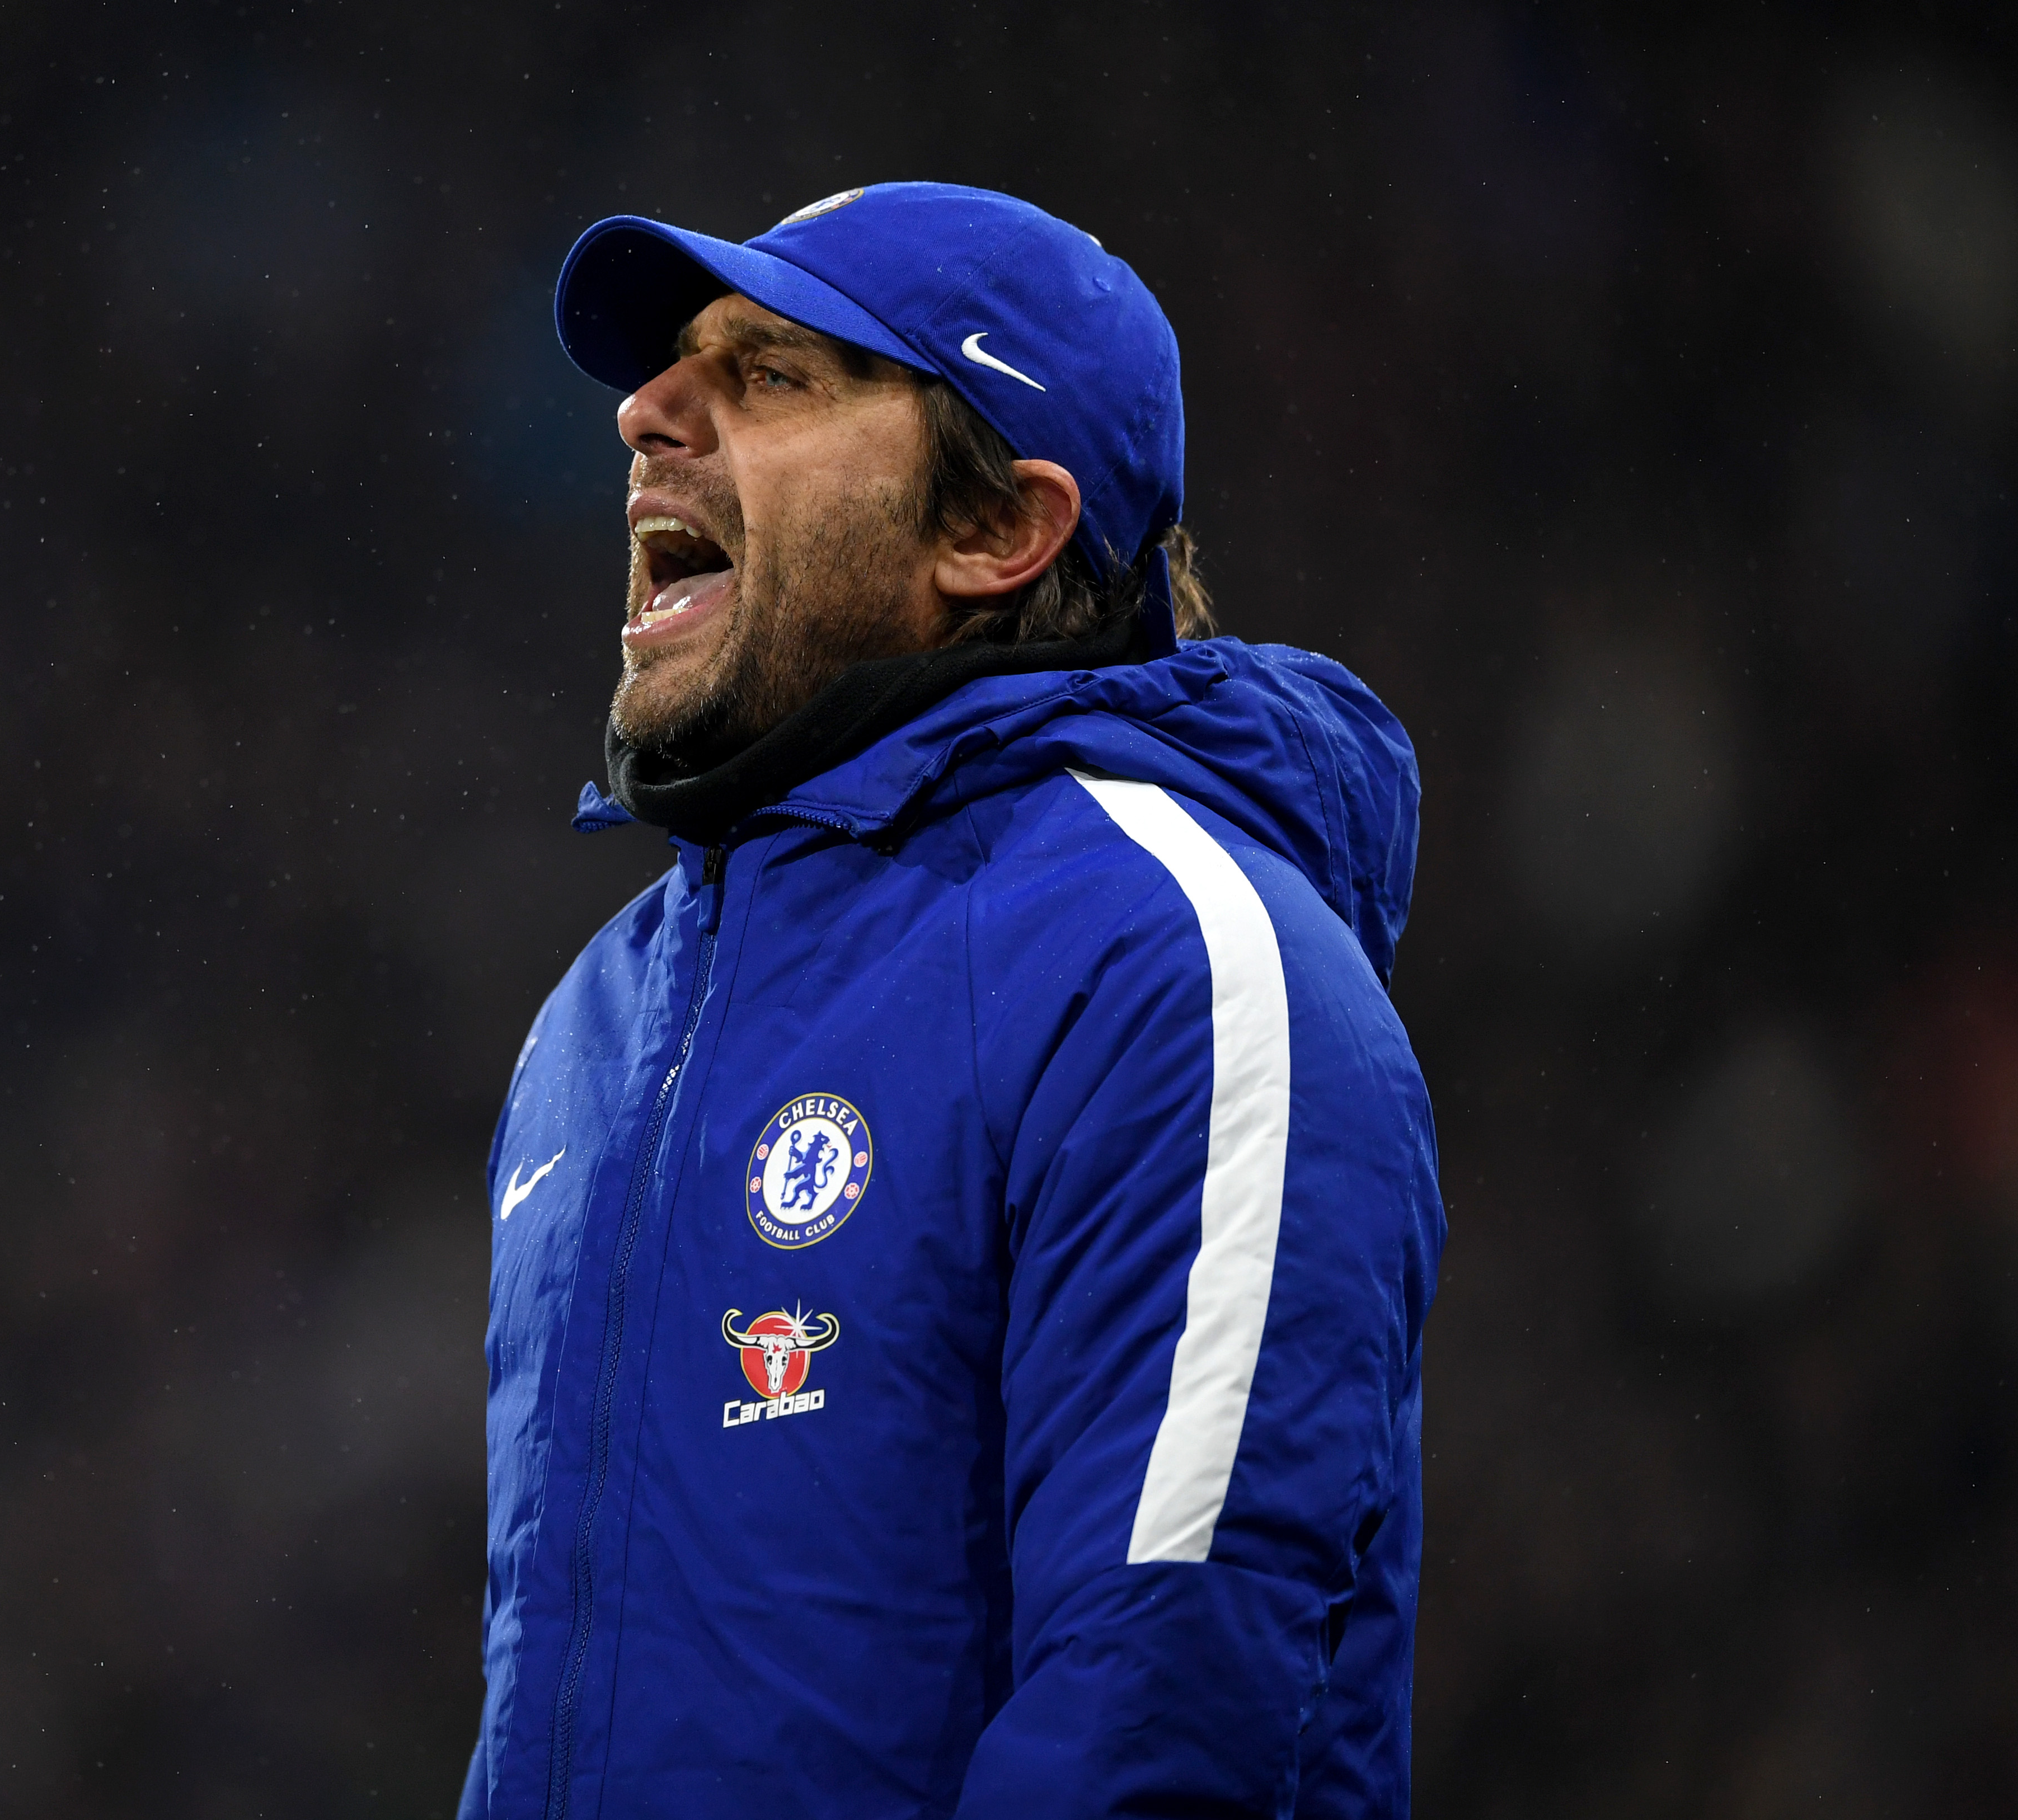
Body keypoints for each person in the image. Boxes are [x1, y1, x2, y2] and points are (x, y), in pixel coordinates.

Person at [466, 182, 1443, 1820]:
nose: (643, 415)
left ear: (996, 531)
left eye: (771, 376)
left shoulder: (1172, 952)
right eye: (669, 378)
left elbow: (1166, 1702)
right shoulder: (601, 1024)